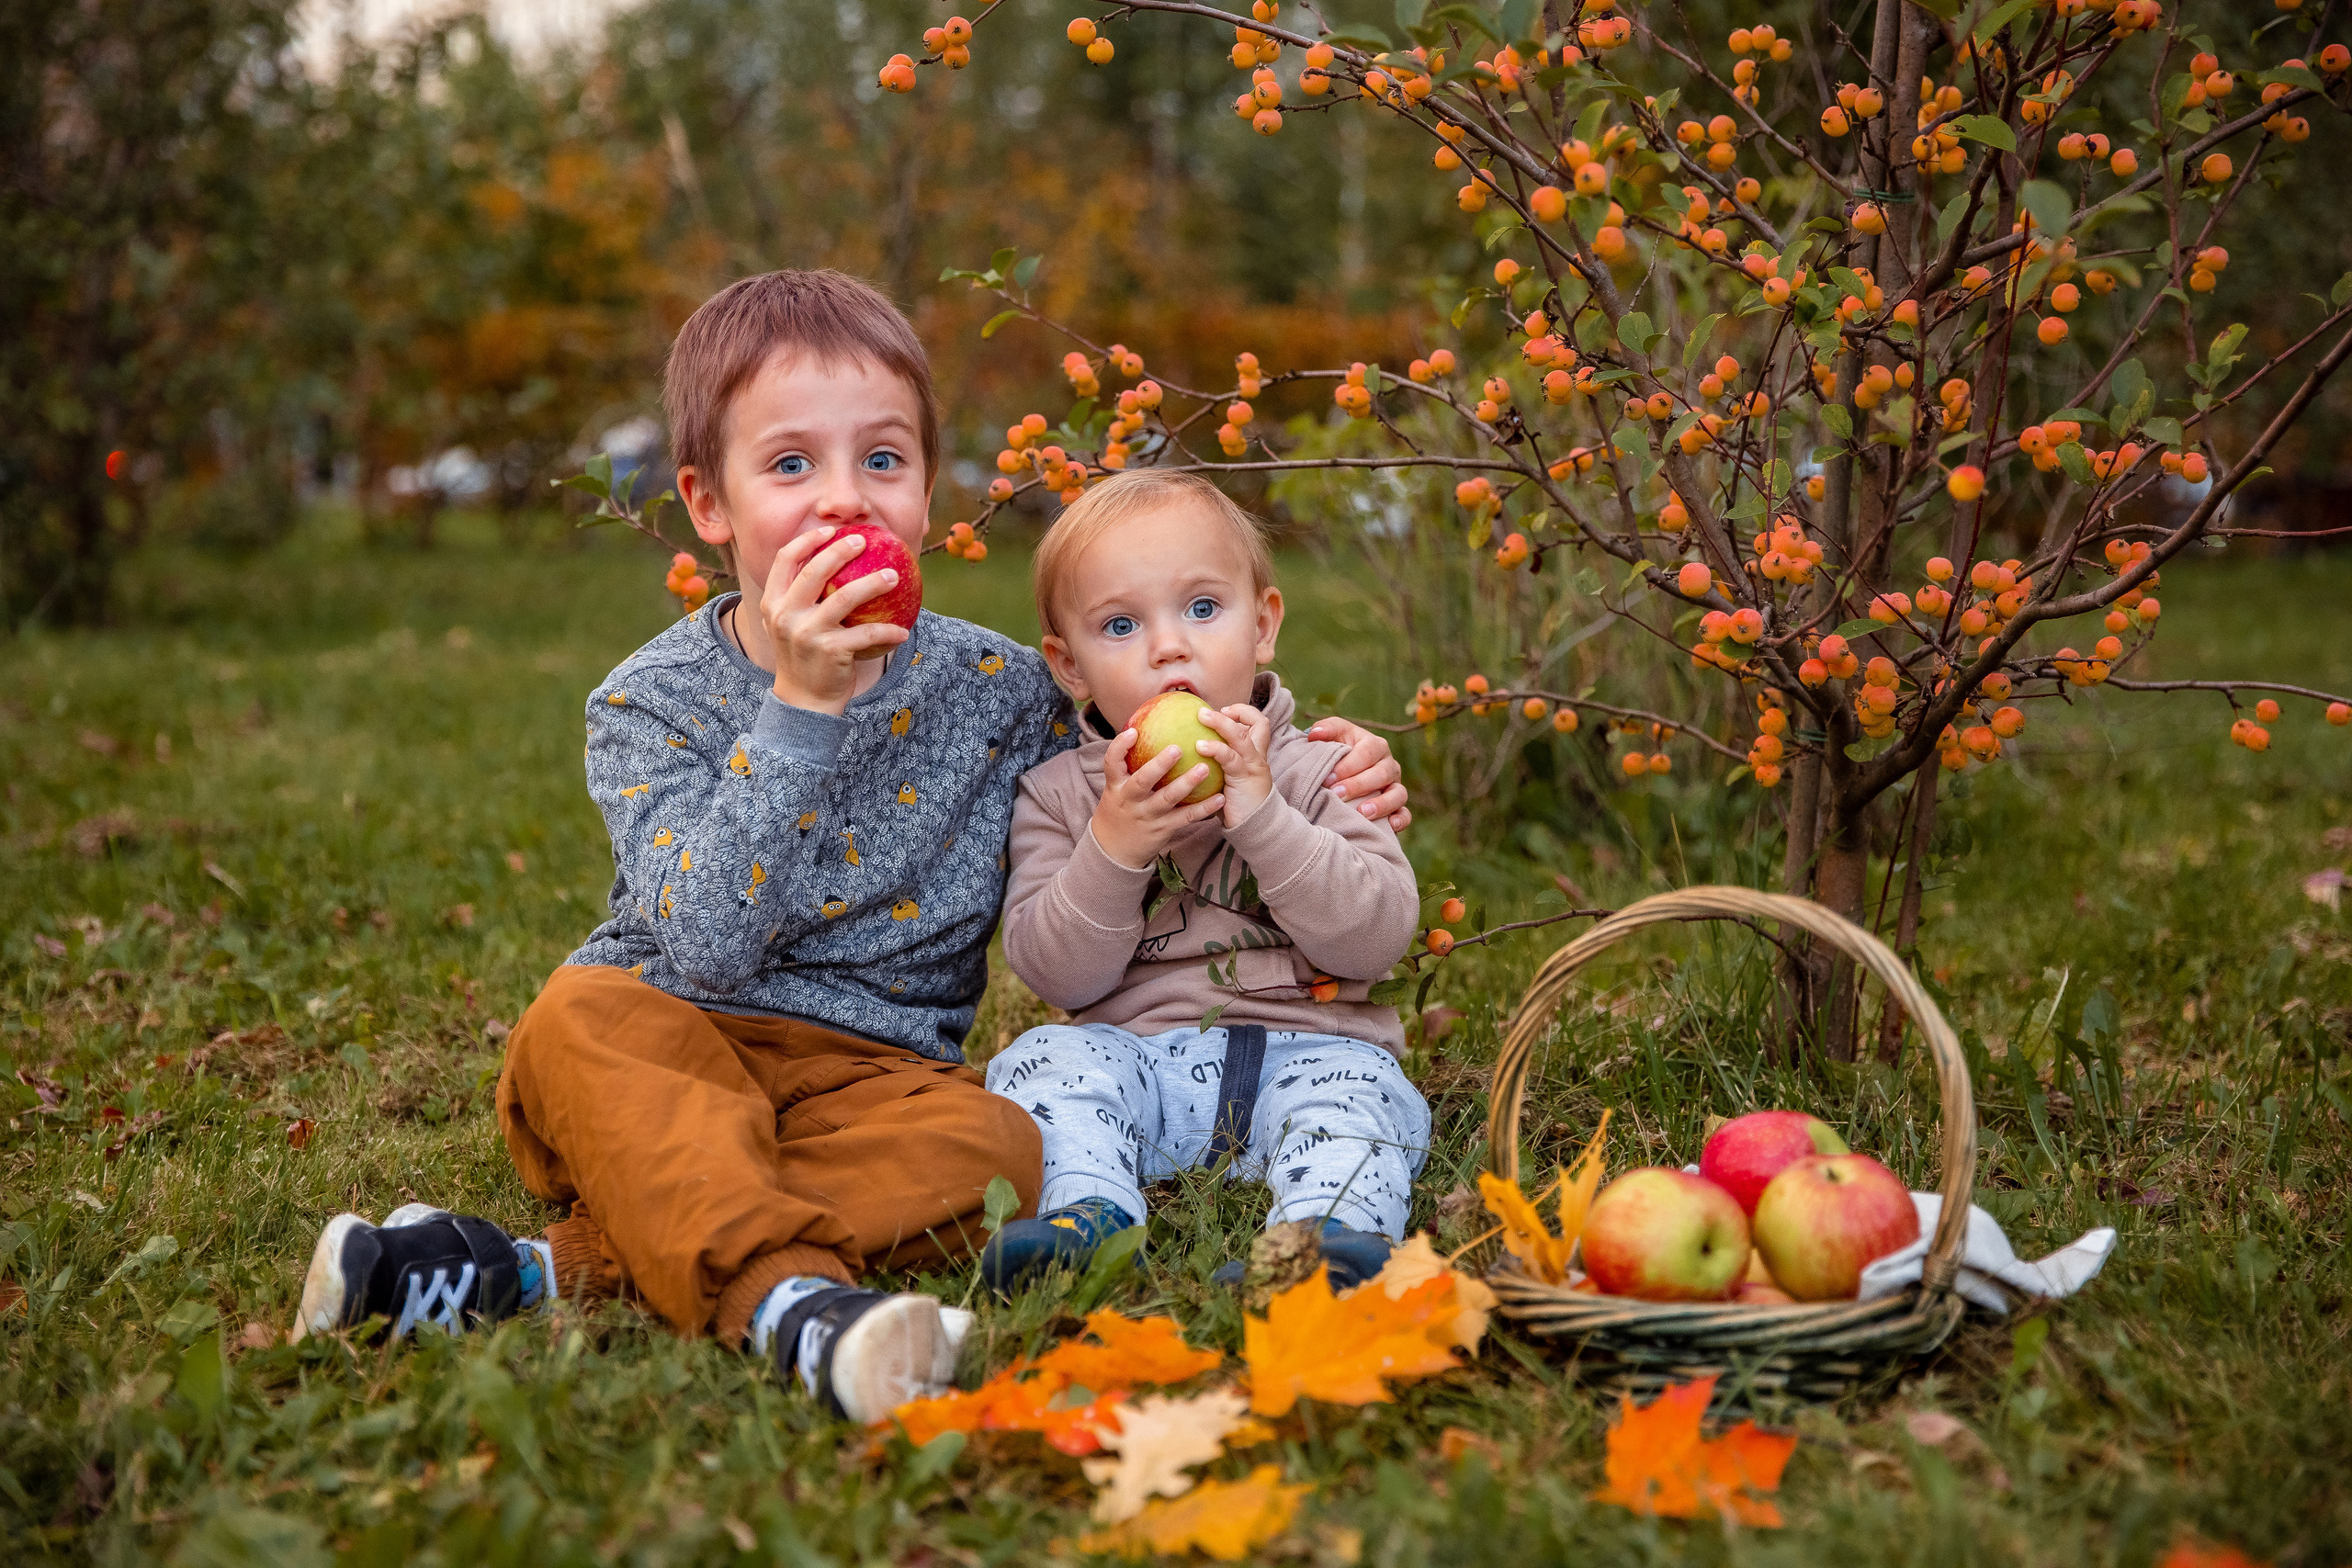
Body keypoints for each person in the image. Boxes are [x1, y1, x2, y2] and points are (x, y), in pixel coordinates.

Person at [288, 271, 1409, 1424]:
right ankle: (796, 1313)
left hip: (875, 1082)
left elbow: (1159, 684)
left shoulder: (1002, 689)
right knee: (576, 1021)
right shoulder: (645, 705)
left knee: (1000, 1148)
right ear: (707, 503)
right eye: (789, 466)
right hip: (669, 1038)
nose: (846, 502)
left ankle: (522, 1273)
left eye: (883, 461)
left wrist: (1321, 749)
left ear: (929, 488)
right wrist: (800, 710)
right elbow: (712, 947)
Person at [979, 469, 1430, 1293]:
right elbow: (1056, 972)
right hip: (1138, 1063)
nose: (1168, 646)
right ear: (1069, 664)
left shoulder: (1326, 770)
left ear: (1263, 624)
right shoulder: (1062, 796)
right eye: (1120, 624)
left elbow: (1376, 935)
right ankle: (1088, 1219)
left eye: (1202, 608)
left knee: (1365, 1102)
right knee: (1042, 1062)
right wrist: (1114, 848)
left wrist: (1267, 820)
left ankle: (1323, 1240)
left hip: (1316, 1055)